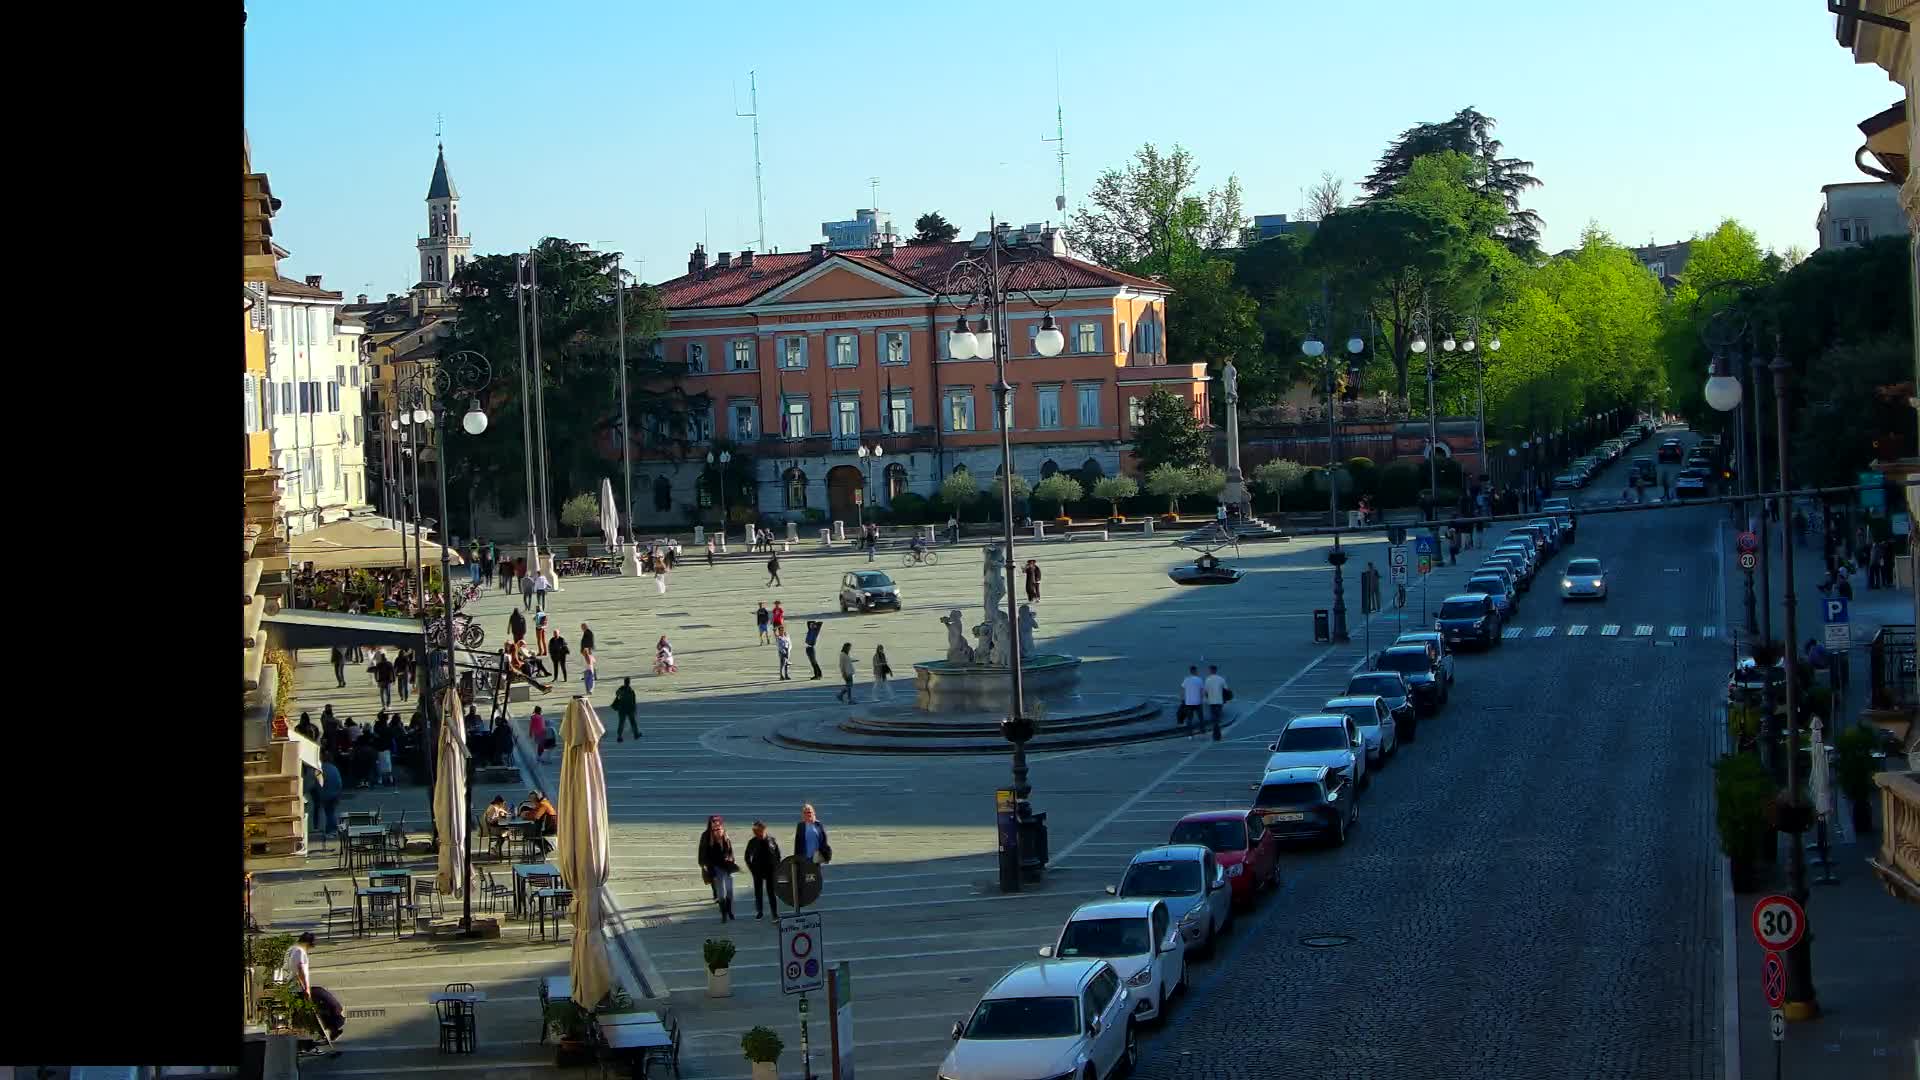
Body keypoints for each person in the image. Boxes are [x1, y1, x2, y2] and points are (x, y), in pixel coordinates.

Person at [284, 932, 346, 1044]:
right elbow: (301, 970)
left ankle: (331, 1028)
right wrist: (307, 989)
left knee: (320, 1002)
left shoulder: (292, 949)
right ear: (307, 943)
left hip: (293, 986)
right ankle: (334, 1023)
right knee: (322, 997)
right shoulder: (300, 951)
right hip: (298, 988)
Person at [697, 815, 739, 922]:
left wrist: (732, 859)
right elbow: (702, 852)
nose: (716, 828)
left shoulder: (725, 835)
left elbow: (730, 851)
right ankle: (724, 914)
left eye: (718, 826)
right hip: (716, 867)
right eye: (714, 826)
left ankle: (729, 911)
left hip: (727, 866)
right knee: (721, 892)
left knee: (730, 891)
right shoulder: (707, 836)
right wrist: (704, 865)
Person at [744, 820, 783, 919]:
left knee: (771, 892)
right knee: (758, 892)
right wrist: (752, 869)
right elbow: (747, 857)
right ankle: (760, 911)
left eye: (758, 831)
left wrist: (777, 867)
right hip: (757, 870)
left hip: (771, 870)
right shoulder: (752, 842)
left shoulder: (771, 840)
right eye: (755, 831)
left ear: (764, 829)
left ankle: (774, 913)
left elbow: (778, 854)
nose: (756, 833)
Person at [520, 789, 558, 856]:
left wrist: (525, 817)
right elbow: (534, 811)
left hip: (550, 827)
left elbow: (536, 817)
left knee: (530, 834)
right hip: (546, 826)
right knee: (531, 834)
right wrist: (526, 814)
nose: (531, 801)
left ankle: (546, 848)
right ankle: (545, 848)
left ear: (537, 798)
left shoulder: (543, 804)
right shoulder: (542, 803)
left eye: (532, 799)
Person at [795, 803, 832, 869]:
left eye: (809, 812)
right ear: (803, 814)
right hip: (804, 859)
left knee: (816, 874)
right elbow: (797, 844)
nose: (807, 814)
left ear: (813, 813)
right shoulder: (800, 826)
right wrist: (796, 860)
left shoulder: (819, 825)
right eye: (805, 813)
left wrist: (827, 857)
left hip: (816, 859)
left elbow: (824, 842)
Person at [316, 753, 343, 834]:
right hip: (335, 793)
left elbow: (318, 783)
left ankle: (332, 829)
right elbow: (339, 782)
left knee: (329, 812)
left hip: (326, 794)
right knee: (331, 812)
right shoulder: (334, 768)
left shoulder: (321, 769)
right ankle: (331, 828)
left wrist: (319, 793)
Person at [1202, 664, 1229, 742]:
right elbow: (1226, 689)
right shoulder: (1221, 679)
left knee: (1214, 719)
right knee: (1218, 719)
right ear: (1216, 670)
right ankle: (1218, 735)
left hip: (1212, 702)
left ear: (1210, 670)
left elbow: (1205, 692)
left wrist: (1207, 699)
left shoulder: (1208, 680)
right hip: (1219, 701)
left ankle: (1215, 735)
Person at [612, 676, 640, 741]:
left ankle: (619, 736)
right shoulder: (631, 690)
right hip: (630, 708)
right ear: (629, 682)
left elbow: (617, 694)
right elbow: (633, 701)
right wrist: (634, 709)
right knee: (632, 722)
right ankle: (636, 734)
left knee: (621, 722)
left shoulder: (621, 689)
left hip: (622, 708)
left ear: (624, 682)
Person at [1178, 665, 1204, 731]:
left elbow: (1182, 689)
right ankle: (1202, 730)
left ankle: (1190, 733)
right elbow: (1201, 691)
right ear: (1195, 671)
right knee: (1200, 717)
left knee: (1189, 718)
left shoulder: (1186, 679)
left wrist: (1182, 698)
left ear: (1190, 671)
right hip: (1198, 702)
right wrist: (1201, 699)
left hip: (1189, 702)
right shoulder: (1199, 680)